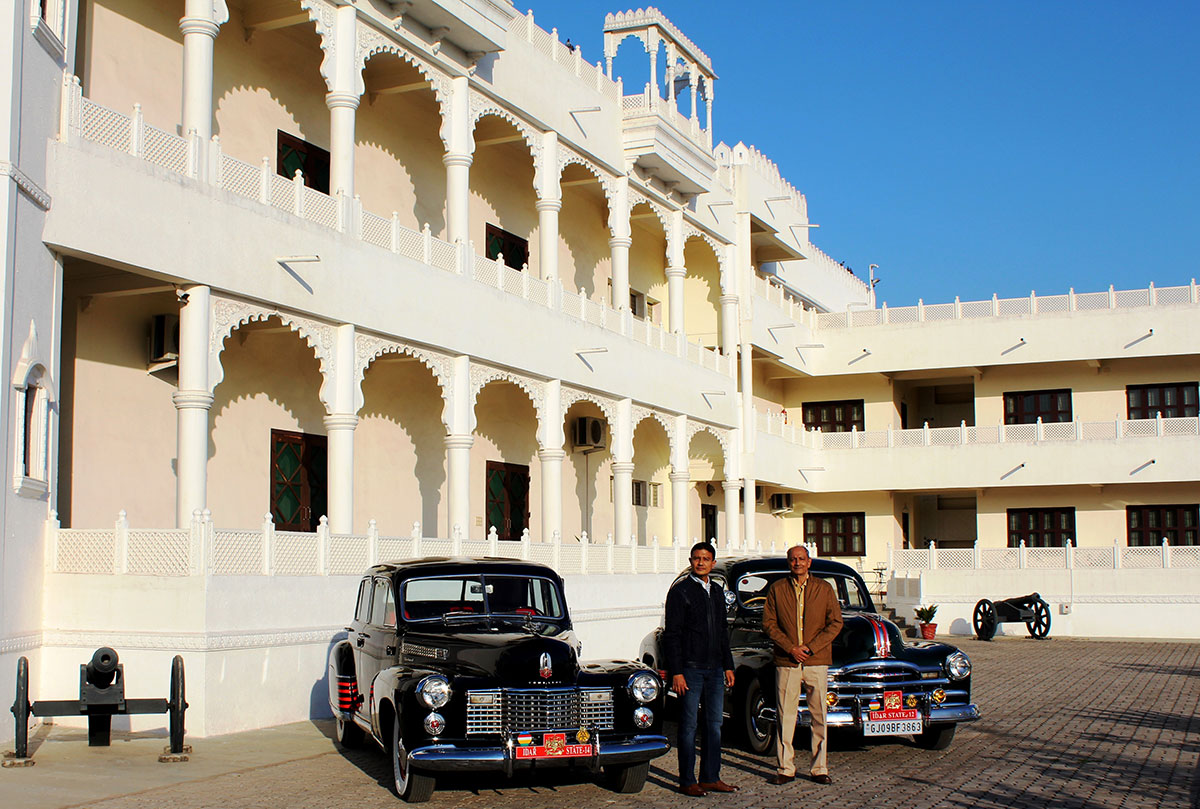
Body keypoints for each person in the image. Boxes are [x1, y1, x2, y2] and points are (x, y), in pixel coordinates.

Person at [662, 541, 738, 797]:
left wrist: (728, 665)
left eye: (706, 558)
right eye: (697, 558)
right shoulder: (680, 591)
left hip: (715, 669)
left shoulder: (716, 592)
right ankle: (687, 780)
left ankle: (710, 777)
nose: (701, 562)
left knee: (714, 724)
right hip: (691, 670)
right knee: (689, 726)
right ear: (691, 561)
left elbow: (722, 632)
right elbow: (672, 635)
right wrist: (677, 672)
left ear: (713, 563)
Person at [762, 544, 843, 785]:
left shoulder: (824, 588)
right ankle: (785, 768)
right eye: (793, 559)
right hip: (787, 661)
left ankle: (820, 768)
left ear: (809, 562)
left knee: (819, 714)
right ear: (788, 563)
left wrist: (811, 647)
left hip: (816, 661)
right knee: (786, 715)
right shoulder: (777, 589)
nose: (797, 563)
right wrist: (791, 648)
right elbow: (769, 624)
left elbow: (835, 623)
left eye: (801, 559)